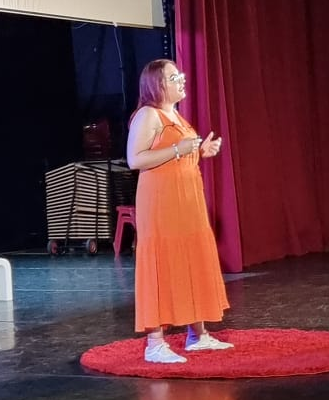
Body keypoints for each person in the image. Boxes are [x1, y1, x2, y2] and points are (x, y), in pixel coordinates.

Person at [126, 59, 232, 363]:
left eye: (180, 75)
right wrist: (178, 150)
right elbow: (135, 159)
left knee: (191, 258)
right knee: (164, 262)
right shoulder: (148, 115)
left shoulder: (175, 115)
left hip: (187, 200)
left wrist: (199, 152)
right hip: (161, 203)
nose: (181, 80)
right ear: (157, 84)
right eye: (174, 77)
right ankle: (155, 343)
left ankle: (198, 335)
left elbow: (178, 155)